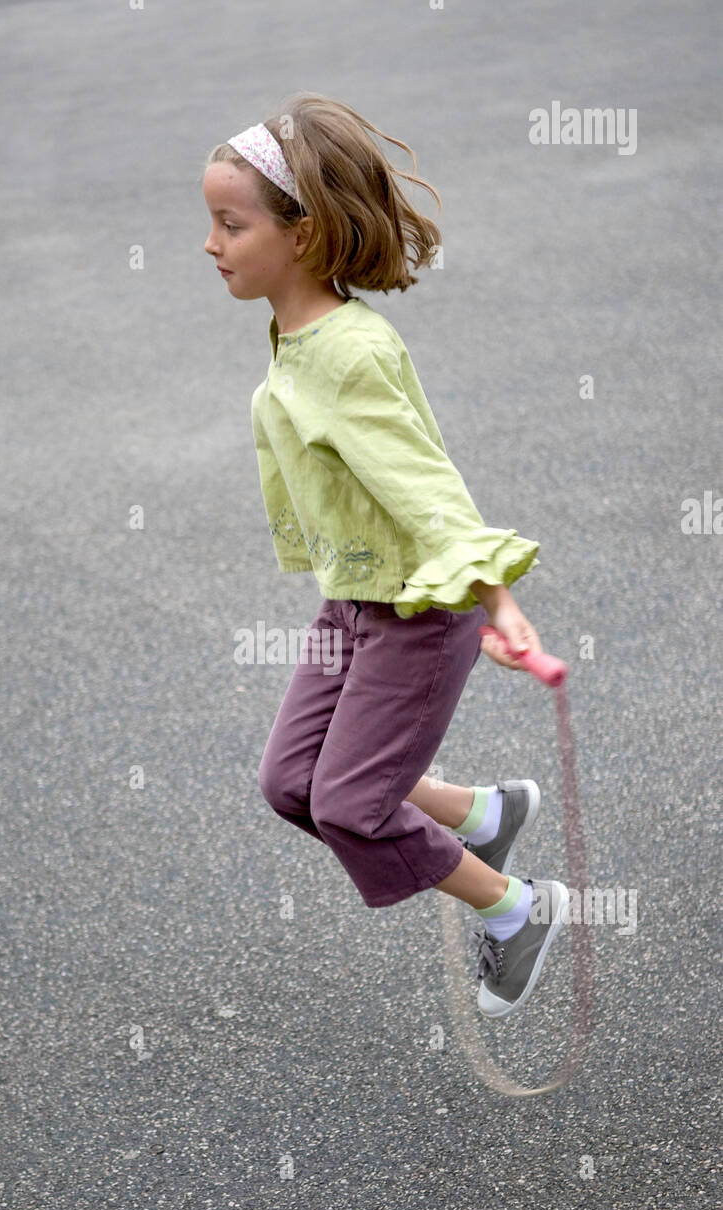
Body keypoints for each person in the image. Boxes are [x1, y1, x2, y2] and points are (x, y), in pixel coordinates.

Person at [201, 92, 569, 1019]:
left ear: (304, 233)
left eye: (230, 224)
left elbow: (429, 488)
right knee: (294, 784)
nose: (211, 244)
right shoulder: (296, 334)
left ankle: (519, 910)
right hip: (355, 603)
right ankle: (486, 815)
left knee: (351, 806)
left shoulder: (350, 355)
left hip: (417, 611)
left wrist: (498, 602)